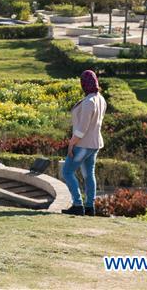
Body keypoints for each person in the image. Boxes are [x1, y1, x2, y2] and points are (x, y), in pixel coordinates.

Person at [61, 70, 107, 216]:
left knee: (67, 172)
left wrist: (71, 144)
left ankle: (77, 204)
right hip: (95, 144)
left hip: (83, 144)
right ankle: (89, 207)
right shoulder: (100, 99)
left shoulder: (89, 102)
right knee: (89, 175)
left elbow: (81, 129)